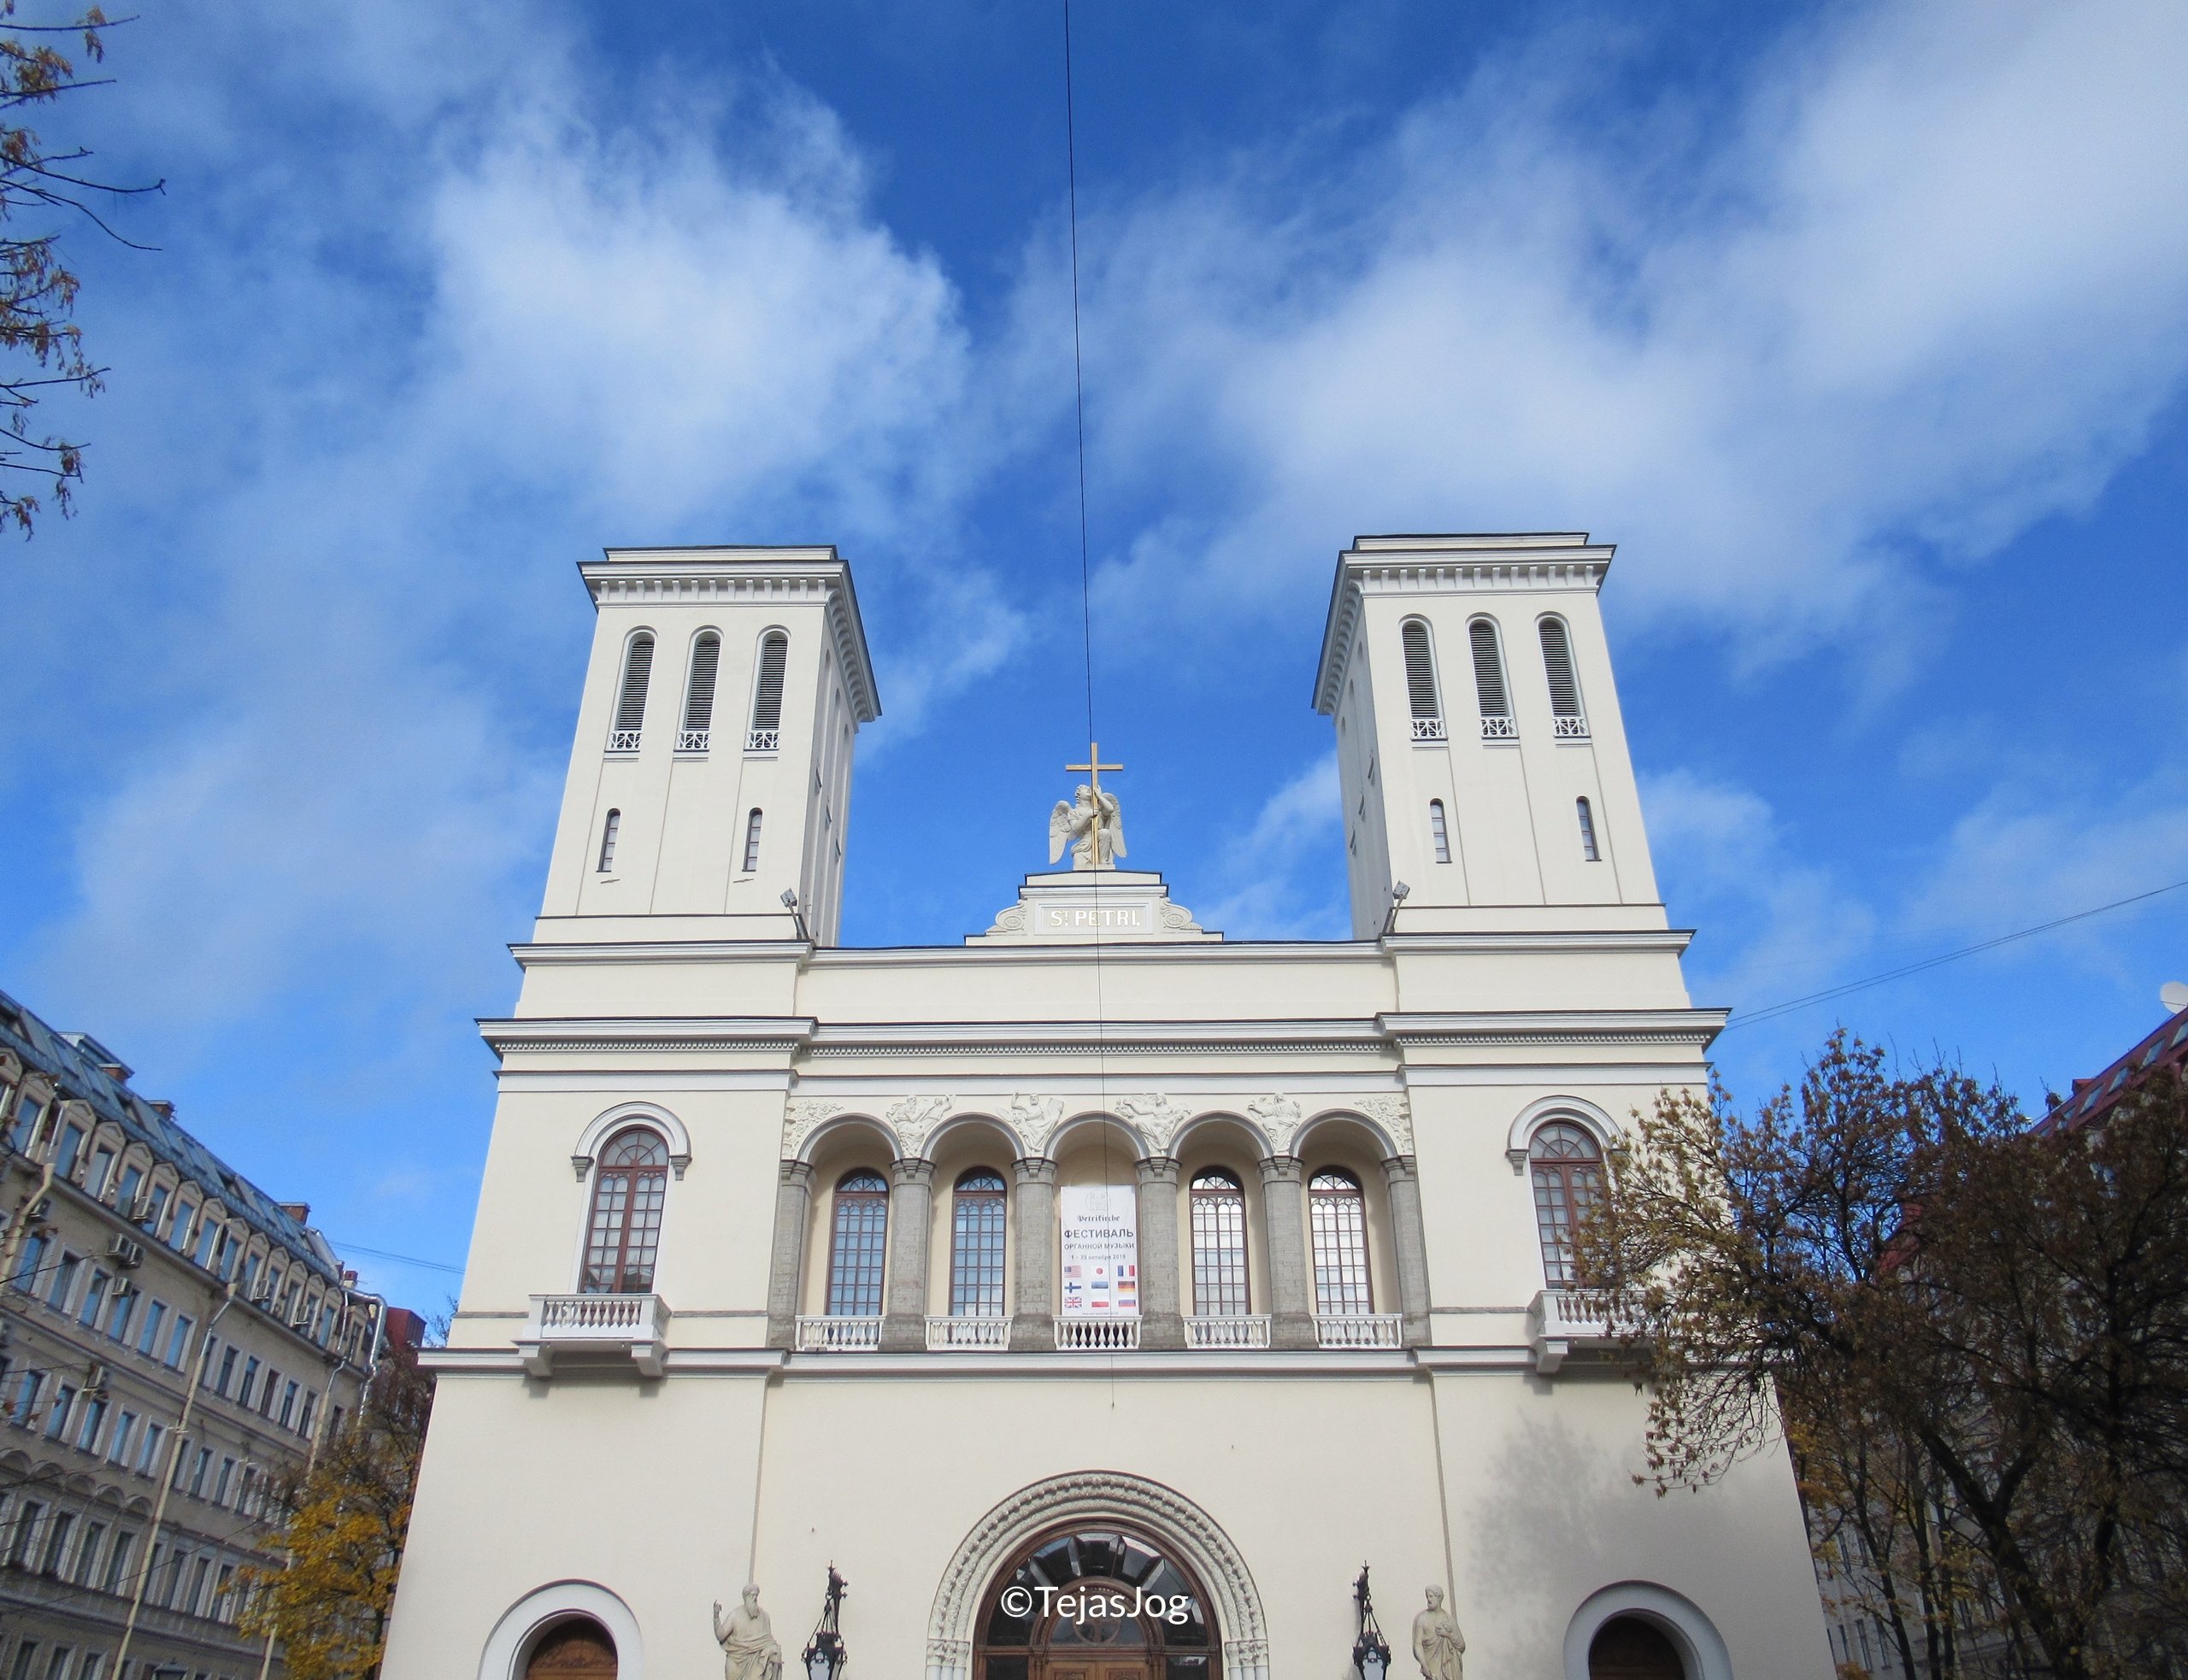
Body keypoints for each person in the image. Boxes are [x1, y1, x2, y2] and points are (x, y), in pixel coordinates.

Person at [714, 1585, 784, 1680]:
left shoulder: (764, 1617)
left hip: (755, 1662)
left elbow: (768, 1641)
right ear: (745, 1597)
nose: (755, 1598)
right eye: (752, 1596)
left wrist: (774, 1651)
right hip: (735, 1660)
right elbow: (721, 1635)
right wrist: (716, 1617)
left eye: (756, 1596)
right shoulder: (735, 1615)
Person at [1412, 1586, 1464, 1680]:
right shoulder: (1421, 1619)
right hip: (1432, 1670)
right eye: (1427, 1597)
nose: (1429, 1599)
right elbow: (1417, 1644)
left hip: (1451, 1669)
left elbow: (1461, 1646)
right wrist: (1424, 1664)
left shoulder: (1449, 1620)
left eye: (1431, 1596)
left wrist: (1449, 1635)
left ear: (1439, 1598)